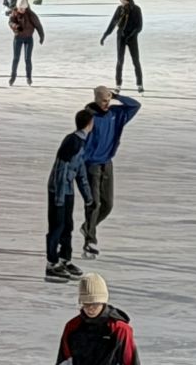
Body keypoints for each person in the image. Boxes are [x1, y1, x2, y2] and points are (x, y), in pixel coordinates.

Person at [78, 86, 142, 258]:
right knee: (94, 204)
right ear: (96, 99)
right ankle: (89, 240)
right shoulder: (89, 117)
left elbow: (135, 105)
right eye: (103, 100)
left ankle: (87, 228)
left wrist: (117, 96)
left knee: (107, 205)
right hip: (90, 165)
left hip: (107, 164)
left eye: (108, 100)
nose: (106, 103)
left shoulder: (116, 114)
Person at [45, 109, 95, 283]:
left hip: (67, 190)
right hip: (58, 190)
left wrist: (88, 196)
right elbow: (60, 169)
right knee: (57, 227)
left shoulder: (81, 142)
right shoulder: (72, 141)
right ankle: (52, 264)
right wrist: (59, 196)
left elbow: (79, 171)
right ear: (89, 124)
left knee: (68, 226)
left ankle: (64, 259)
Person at [55, 272, 139, 364]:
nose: (90, 308)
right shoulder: (72, 327)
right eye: (86, 304)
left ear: (103, 302)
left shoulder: (120, 329)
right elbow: (64, 361)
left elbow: (130, 361)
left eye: (95, 304)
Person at [100, 0, 144, 91]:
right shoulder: (120, 9)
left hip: (132, 38)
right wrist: (105, 35)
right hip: (121, 37)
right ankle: (118, 84)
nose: (120, 0)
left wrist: (131, 35)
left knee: (136, 61)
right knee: (120, 61)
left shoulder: (136, 9)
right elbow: (113, 23)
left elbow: (139, 26)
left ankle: (140, 84)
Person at [8, 0, 44, 86]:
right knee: (16, 58)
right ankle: (13, 76)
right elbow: (10, 22)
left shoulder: (31, 15)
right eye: (20, 8)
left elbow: (38, 25)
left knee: (27, 59)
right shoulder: (14, 13)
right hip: (18, 38)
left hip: (28, 39)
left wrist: (41, 36)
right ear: (17, 7)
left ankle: (28, 77)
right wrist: (16, 26)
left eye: (23, 9)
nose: (22, 10)